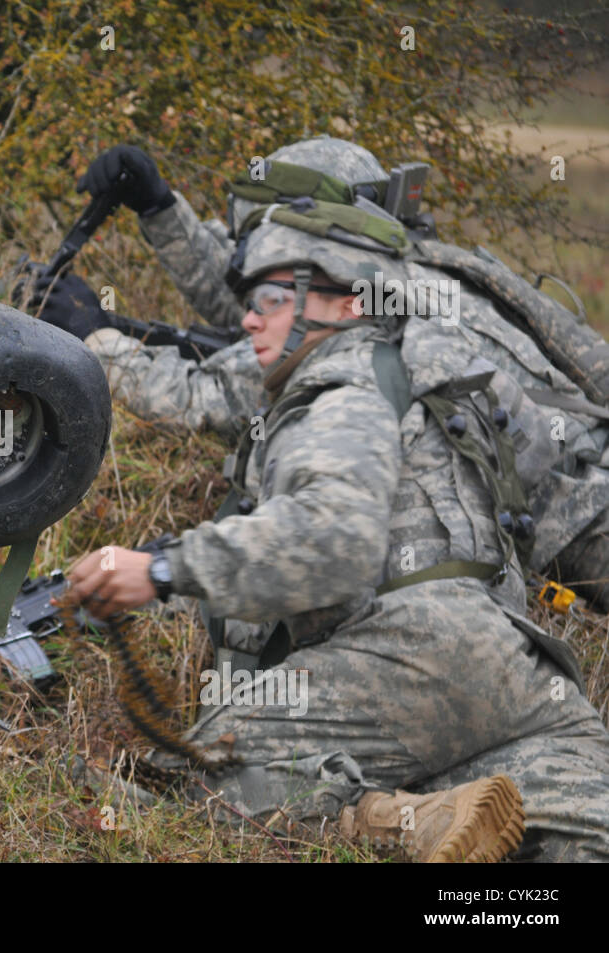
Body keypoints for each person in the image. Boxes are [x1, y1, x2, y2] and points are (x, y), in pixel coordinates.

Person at [61, 209, 609, 862]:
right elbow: (562, 502)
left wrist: (159, 572)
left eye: (271, 299)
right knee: (574, 843)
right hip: (518, 669)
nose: (248, 320)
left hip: (401, 658)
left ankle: (383, 817)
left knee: (196, 788)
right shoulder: (448, 372)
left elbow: (334, 541)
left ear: (349, 304)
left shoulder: (339, 390)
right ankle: (443, 818)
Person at [39, 138, 609, 612]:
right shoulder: (422, 274)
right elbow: (272, 299)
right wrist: (161, 209)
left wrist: (93, 339)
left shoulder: (378, 326)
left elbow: (194, 395)